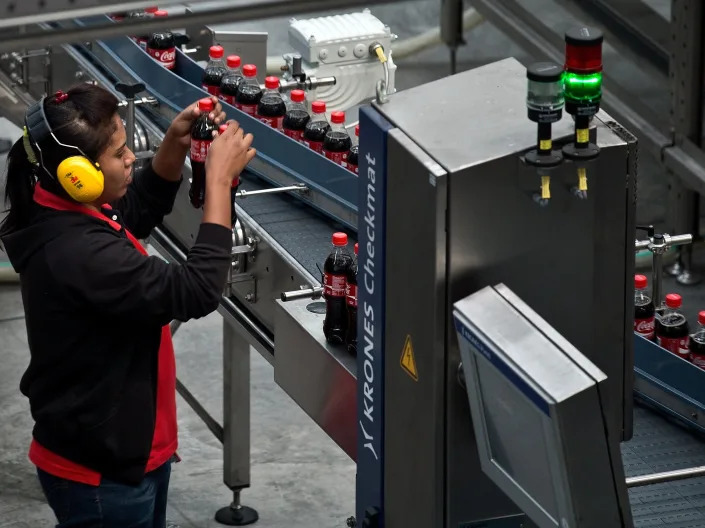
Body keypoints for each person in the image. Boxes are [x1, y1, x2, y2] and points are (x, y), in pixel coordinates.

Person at [0, 83, 256, 527]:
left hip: (125, 452)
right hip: (101, 476)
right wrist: (217, 183)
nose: (131, 157)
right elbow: (195, 291)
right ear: (78, 175)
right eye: (119, 153)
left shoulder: (62, 205)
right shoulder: (76, 252)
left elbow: (132, 212)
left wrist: (174, 149)